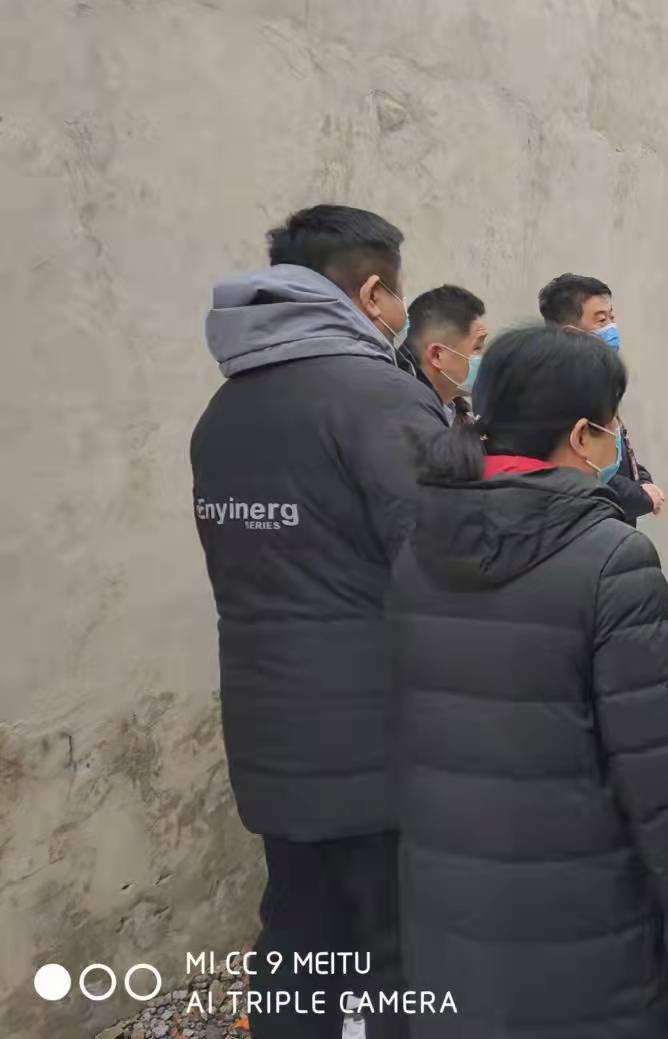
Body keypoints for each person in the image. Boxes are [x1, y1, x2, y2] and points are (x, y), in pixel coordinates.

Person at [389, 326, 668, 1038]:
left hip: (450, 902)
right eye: (613, 424)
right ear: (582, 435)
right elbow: (663, 773)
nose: (617, 439)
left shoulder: (419, 542)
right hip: (592, 922)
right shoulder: (612, 558)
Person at [191, 204, 446, 1039]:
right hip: (381, 741)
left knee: (300, 937)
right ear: (371, 294)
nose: (400, 312)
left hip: (271, 734)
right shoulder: (378, 398)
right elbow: (446, 567)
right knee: (403, 957)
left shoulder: (224, 412)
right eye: (397, 295)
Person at [539, 273, 666, 527]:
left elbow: (617, 452)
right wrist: (640, 496)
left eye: (612, 317)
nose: (612, 328)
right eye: (601, 320)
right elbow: (585, 471)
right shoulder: (557, 391)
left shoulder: (595, 381)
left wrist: (642, 480)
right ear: (570, 332)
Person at [405, 284, 488, 425]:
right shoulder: (406, 422)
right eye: (477, 347)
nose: (486, 357)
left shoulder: (461, 419)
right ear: (437, 355)